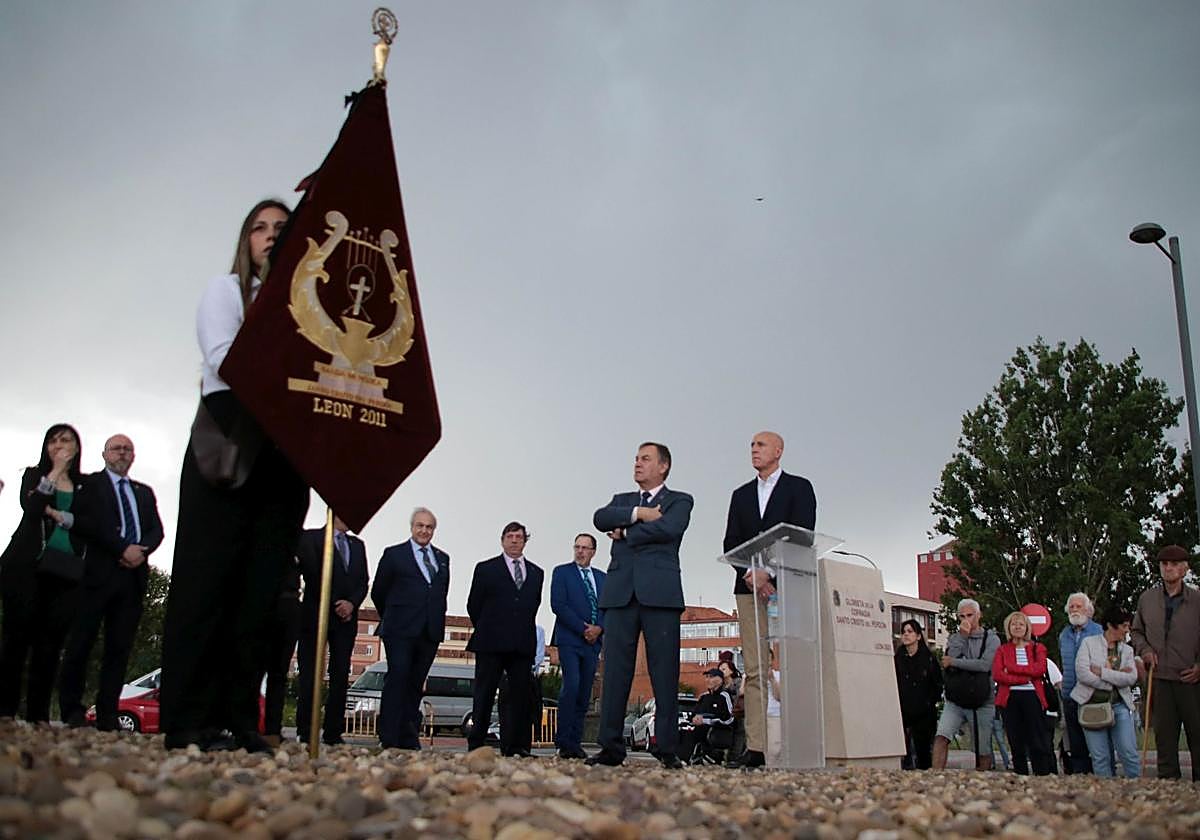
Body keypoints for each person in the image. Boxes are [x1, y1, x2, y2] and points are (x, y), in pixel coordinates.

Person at [160, 199, 310, 752]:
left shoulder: (309, 307)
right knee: (208, 578)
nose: (270, 236)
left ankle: (240, 717)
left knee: (261, 588)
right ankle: (187, 718)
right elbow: (225, 358)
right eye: (260, 228)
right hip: (229, 436)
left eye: (282, 229)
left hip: (283, 445)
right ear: (245, 240)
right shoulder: (226, 292)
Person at [587, 442, 694, 769]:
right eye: (636, 458)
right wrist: (638, 515)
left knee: (664, 673)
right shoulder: (622, 501)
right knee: (615, 672)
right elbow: (600, 518)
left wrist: (625, 532)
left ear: (663, 466)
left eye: (645, 459)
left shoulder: (679, 500)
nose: (637, 464)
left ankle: (667, 748)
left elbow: (670, 528)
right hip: (620, 594)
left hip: (660, 594)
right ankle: (610, 746)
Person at [722, 431, 816, 769]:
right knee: (756, 669)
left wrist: (770, 574)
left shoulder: (799, 488)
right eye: (751, 445)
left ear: (778, 450)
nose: (754, 450)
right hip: (747, 589)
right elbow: (731, 541)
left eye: (760, 445)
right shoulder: (741, 495)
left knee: (794, 665)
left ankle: (801, 742)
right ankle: (757, 748)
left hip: (787, 587)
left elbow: (802, 536)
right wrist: (752, 573)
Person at [58, 434, 164, 730]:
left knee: (119, 649)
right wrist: (120, 548)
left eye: (127, 449)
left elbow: (156, 530)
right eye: (116, 448)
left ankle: (107, 713)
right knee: (81, 642)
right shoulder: (91, 486)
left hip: (132, 578)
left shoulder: (144, 492)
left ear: (134, 456)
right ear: (104, 454)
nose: (122, 453)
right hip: (97, 575)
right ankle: (72, 710)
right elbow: (87, 524)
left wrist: (140, 551)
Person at [0, 424, 86, 722]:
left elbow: (90, 522)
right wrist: (54, 472)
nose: (59, 445)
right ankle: (5, 711)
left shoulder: (85, 485)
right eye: (53, 440)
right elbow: (32, 506)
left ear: (77, 447)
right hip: (26, 566)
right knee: (15, 639)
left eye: (66, 440)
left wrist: (61, 515)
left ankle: (38, 715)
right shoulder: (34, 475)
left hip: (66, 572)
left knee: (50, 645)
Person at [372, 507, 450, 750]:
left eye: (429, 527)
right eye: (420, 525)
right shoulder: (394, 555)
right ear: (412, 527)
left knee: (416, 684)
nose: (424, 530)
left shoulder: (443, 559)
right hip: (399, 629)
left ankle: (408, 735)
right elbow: (379, 592)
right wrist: (394, 616)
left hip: (428, 631)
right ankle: (389, 736)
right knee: (398, 677)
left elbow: (440, 593)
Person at [465, 522, 543, 757]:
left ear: (525, 541)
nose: (514, 540)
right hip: (491, 641)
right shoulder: (486, 569)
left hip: (521, 644)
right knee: (484, 693)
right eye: (510, 536)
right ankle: (477, 742)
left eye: (519, 537)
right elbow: (474, 605)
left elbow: (532, 606)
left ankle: (515, 746)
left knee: (518, 697)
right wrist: (490, 626)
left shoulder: (537, 573)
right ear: (502, 540)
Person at [295, 516, 368, 746]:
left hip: (346, 621)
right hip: (316, 616)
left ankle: (333, 732)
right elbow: (313, 573)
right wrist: (336, 602)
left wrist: (351, 604)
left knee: (340, 675)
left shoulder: (357, 546)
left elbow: (363, 581)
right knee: (310, 674)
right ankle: (306, 730)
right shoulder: (312, 538)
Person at [1130, 544, 1200, 781]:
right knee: (1165, 740)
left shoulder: (1198, 599)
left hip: (1191, 679)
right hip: (1159, 678)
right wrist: (1145, 650)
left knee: (1198, 736)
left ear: (1184, 568)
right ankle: (1168, 791)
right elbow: (1136, 631)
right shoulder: (1147, 599)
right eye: (1164, 564)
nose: (1168, 568)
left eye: (1174, 564)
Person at [550, 533, 606, 759]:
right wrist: (583, 629)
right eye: (577, 547)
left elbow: (608, 607)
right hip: (570, 639)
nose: (580, 551)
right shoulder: (562, 572)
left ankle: (575, 742)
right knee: (571, 686)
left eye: (585, 548)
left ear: (593, 551)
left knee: (584, 692)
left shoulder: (603, 578)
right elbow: (558, 605)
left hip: (593, 643)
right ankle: (562, 741)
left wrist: (599, 628)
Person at [932, 598, 1000, 770]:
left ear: (979, 615)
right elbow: (946, 660)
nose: (966, 619)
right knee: (941, 736)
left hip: (982, 699)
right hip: (956, 699)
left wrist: (955, 662)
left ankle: (982, 779)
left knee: (982, 747)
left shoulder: (992, 639)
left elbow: (985, 665)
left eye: (970, 615)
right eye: (962, 616)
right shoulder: (956, 638)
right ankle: (935, 775)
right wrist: (963, 637)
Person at [1071, 609, 1140, 778]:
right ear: (1110, 625)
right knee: (1100, 756)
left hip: (1120, 706)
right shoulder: (1088, 644)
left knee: (1128, 752)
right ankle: (1105, 793)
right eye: (1124, 626)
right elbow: (1083, 673)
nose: (1126, 630)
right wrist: (1114, 680)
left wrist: (1102, 672)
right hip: (1092, 706)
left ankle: (1136, 790)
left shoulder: (1127, 651)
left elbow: (1131, 678)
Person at [992, 611, 1054, 775]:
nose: (1017, 627)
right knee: (1015, 739)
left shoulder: (1037, 648)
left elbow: (1039, 669)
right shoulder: (1002, 650)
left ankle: (1042, 773)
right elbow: (998, 674)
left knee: (1036, 739)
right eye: (1014, 624)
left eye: (1021, 624)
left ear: (1027, 627)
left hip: (1032, 696)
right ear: (1008, 628)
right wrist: (1023, 678)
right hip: (1010, 698)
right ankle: (1020, 775)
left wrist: (1011, 669)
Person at [1059, 592, 1102, 774]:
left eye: (1078, 606)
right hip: (1069, 693)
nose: (1075, 610)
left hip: (1092, 693)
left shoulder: (1098, 631)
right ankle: (1079, 773)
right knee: (1075, 738)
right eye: (1072, 606)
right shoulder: (1064, 634)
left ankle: (1101, 772)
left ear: (1088, 610)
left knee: (1095, 737)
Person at [262, 552, 301, 748]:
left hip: (289, 605)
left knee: (279, 673)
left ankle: (272, 730)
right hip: (263, 602)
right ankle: (246, 726)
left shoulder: (299, 544)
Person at [894, 618, 942, 770]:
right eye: (903, 632)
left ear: (918, 636)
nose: (906, 635)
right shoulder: (898, 658)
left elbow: (937, 684)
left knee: (923, 752)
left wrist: (929, 702)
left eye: (910, 631)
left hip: (924, 712)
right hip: (903, 710)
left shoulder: (928, 658)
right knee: (903, 752)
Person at [681, 668, 735, 765]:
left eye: (711, 677)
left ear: (720, 680)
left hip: (718, 729)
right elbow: (694, 712)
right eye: (707, 677)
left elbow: (729, 718)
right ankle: (681, 758)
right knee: (684, 730)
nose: (708, 680)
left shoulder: (724, 696)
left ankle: (686, 759)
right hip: (700, 727)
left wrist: (707, 721)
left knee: (698, 731)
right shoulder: (704, 697)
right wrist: (694, 718)